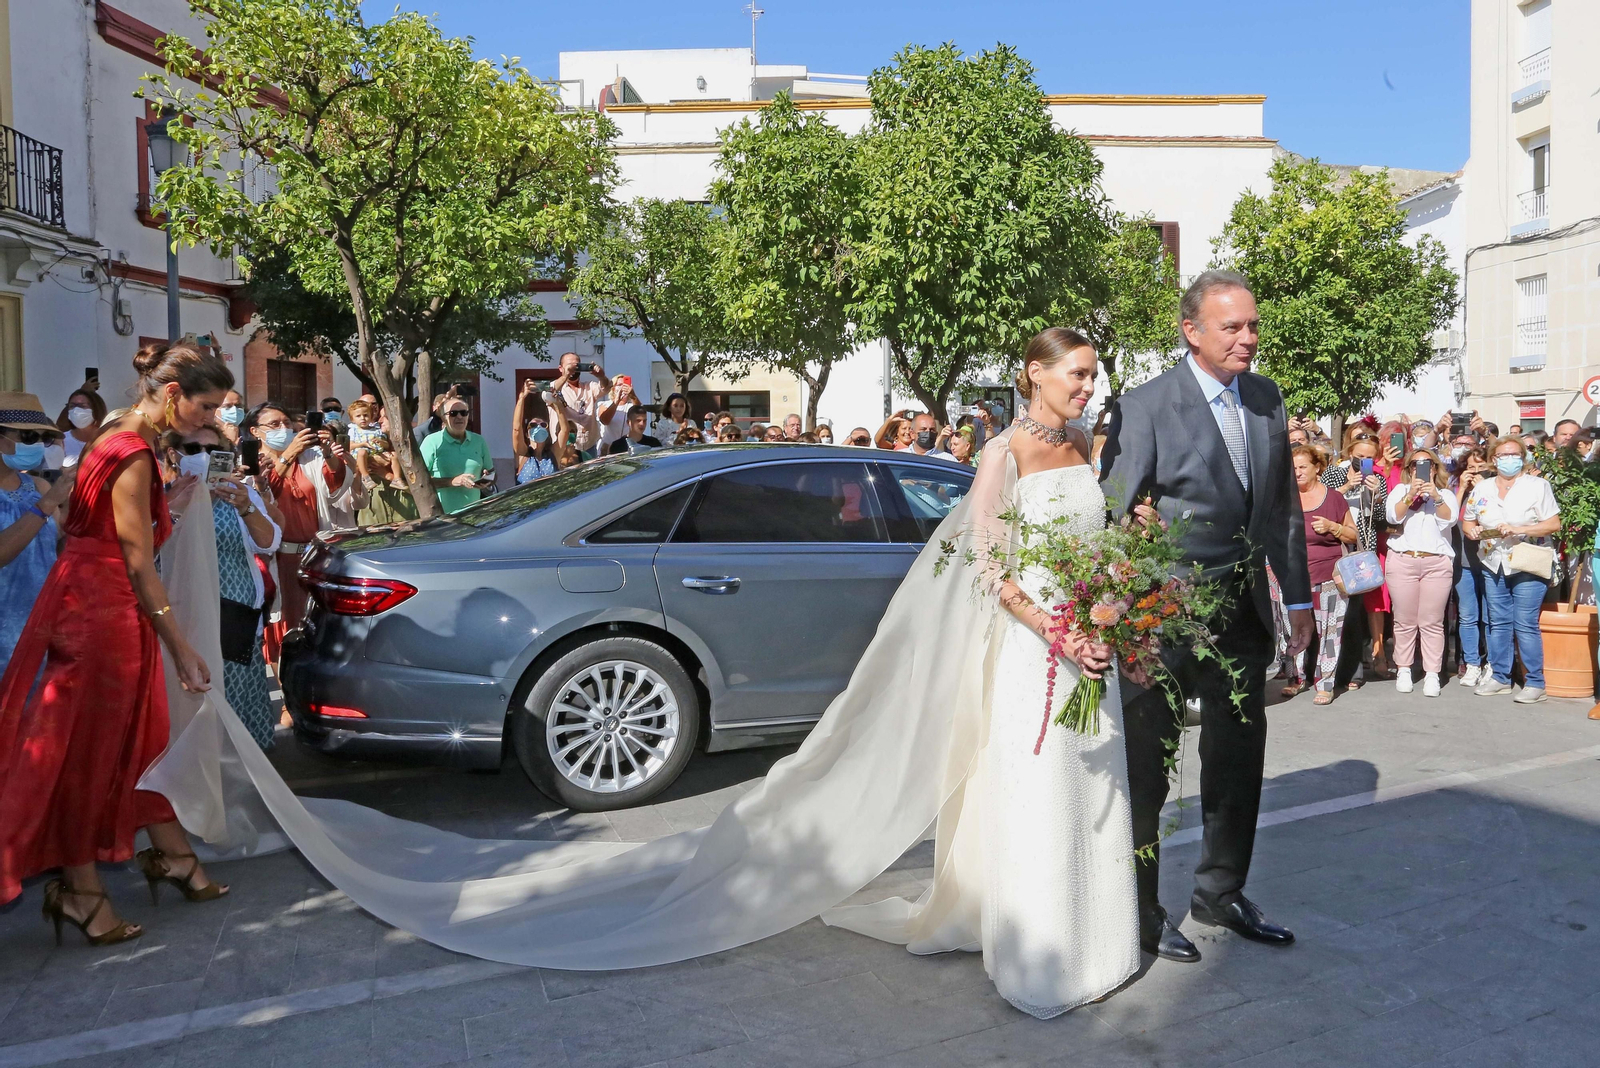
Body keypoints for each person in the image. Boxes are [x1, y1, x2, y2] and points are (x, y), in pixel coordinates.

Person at [1101, 270, 1310, 963]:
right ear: (1191, 330)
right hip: (1161, 623)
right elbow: (1113, 515)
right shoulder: (1146, 405)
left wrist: (1300, 599)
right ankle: (1142, 910)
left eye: (1253, 325)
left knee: (1237, 762)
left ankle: (1221, 891)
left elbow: (1281, 508)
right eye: (1233, 327)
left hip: (1244, 620)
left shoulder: (1268, 399)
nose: (1249, 338)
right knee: (1150, 771)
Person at [0, 340, 232, 946]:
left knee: (120, 742)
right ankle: (80, 889)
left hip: (90, 600)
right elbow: (136, 559)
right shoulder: (132, 451)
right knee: (86, 752)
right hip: (103, 610)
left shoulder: (115, 435)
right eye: (207, 409)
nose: (212, 421)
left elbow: (115, 532)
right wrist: (180, 644)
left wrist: (167, 508)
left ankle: (138, 866)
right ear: (174, 395)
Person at [165, 426, 283, 748]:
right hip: (183, 625)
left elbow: (270, 542)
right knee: (194, 714)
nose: (202, 457)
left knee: (237, 714)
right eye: (192, 448)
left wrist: (245, 505)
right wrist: (176, 507)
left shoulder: (241, 495)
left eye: (213, 449)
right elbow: (145, 554)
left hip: (235, 626)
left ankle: (239, 789)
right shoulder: (164, 496)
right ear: (175, 454)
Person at [248, 401, 348, 662]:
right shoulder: (250, 462)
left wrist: (327, 453)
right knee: (282, 631)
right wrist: (287, 455)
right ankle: (286, 697)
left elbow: (337, 483)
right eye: (274, 424)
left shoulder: (310, 457)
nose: (284, 428)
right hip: (277, 560)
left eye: (287, 423)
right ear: (255, 431)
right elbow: (264, 495)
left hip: (312, 557)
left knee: (315, 629)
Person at [1463, 437, 1560, 703]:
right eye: (1503, 454)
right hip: (1493, 561)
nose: (1508, 458)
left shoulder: (1538, 486)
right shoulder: (1482, 488)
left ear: (1522, 457)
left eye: (1514, 454)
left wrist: (1520, 529)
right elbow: (1468, 521)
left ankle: (1535, 682)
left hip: (1528, 560)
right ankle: (1500, 677)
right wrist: (1474, 532)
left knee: (1525, 623)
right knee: (1499, 622)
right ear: (1494, 459)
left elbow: (1553, 523)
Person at [1, 394, 76, 676]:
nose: (37, 445)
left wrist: (72, 511)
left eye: (44, 438)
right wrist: (46, 506)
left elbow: (55, 552)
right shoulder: (45, 495)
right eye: (28, 436)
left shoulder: (39, 485)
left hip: (41, 627)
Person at [1280, 444, 1356, 704]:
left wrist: (1333, 527)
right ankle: (1296, 678)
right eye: (1294, 467)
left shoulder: (1334, 498)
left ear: (1317, 468)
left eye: (1303, 467)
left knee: (1330, 632)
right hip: (1291, 578)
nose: (1297, 472)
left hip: (1328, 575)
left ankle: (1325, 683)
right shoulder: (1283, 497)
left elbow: (1352, 534)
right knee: (1292, 630)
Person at [1384, 448, 1459, 698]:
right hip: (1404, 560)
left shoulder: (1446, 494)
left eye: (1427, 464)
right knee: (1404, 619)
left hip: (1436, 562)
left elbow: (1449, 520)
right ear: (1409, 469)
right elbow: (1393, 516)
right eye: (1415, 464)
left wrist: (1435, 496)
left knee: (1432, 621)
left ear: (1435, 468)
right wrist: (1411, 494)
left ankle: (1432, 673)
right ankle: (1403, 668)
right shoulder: (1400, 490)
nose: (1420, 468)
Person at [1324, 433, 1392, 682]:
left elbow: (1380, 521)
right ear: (1349, 453)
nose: (1363, 462)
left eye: (1369, 458)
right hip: (1337, 547)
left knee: (1367, 606)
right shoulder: (1333, 473)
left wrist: (1378, 497)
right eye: (1359, 457)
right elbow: (1324, 505)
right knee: (1341, 609)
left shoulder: (1377, 479)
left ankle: (1374, 656)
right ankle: (1339, 665)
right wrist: (1346, 487)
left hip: (1364, 550)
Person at [1451, 442, 1492, 686]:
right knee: (1467, 615)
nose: (1475, 472)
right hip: (1464, 561)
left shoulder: (1496, 489)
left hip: (1490, 561)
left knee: (1490, 616)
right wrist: (1462, 489)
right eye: (1470, 467)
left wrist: (1483, 490)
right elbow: (1448, 518)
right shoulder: (1456, 488)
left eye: (1480, 467)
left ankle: (1491, 664)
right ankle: (1472, 663)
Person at [421, 398, 495, 513]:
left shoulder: (479, 441)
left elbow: (492, 473)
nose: (459, 417)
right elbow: (420, 481)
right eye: (453, 413)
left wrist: (487, 480)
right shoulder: (432, 442)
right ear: (444, 418)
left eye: (463, 413)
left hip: (473, 515)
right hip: (441, 517)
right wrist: (452, 481)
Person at [53, 387, 108, 469]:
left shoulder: (107, 438)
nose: (76, 410)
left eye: (82, 406)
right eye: (72, 406)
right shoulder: (62, 441)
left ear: (96, 409)